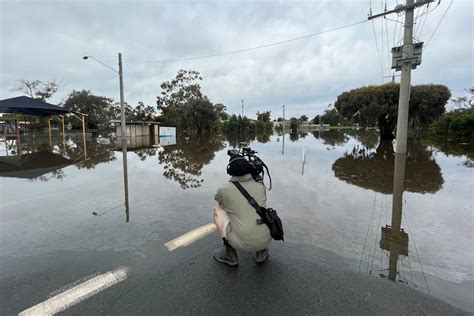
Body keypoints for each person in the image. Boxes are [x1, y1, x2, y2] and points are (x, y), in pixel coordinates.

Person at [213, 149, 272, 266]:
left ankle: (229, 253)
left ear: (229, 170)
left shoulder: (224, 189)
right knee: (258, 209)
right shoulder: (260, 185)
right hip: (267, 238)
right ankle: (261, 252)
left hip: (242, 243)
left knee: (217, 211)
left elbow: (220, 204)